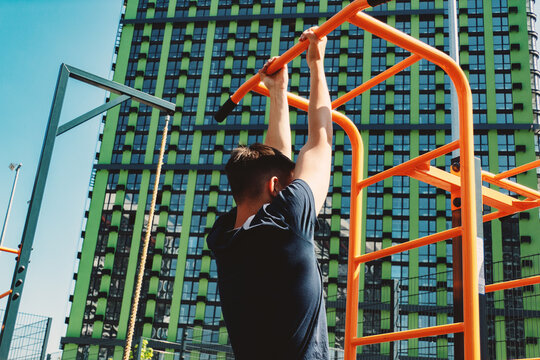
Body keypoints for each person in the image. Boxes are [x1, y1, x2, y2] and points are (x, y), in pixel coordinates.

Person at [206, 27, 332, 360]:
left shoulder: (223, 238)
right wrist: (316, 63)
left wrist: (278, 92)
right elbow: (320, 143)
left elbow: (279, 161)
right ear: (276, 188)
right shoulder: (285, 222)